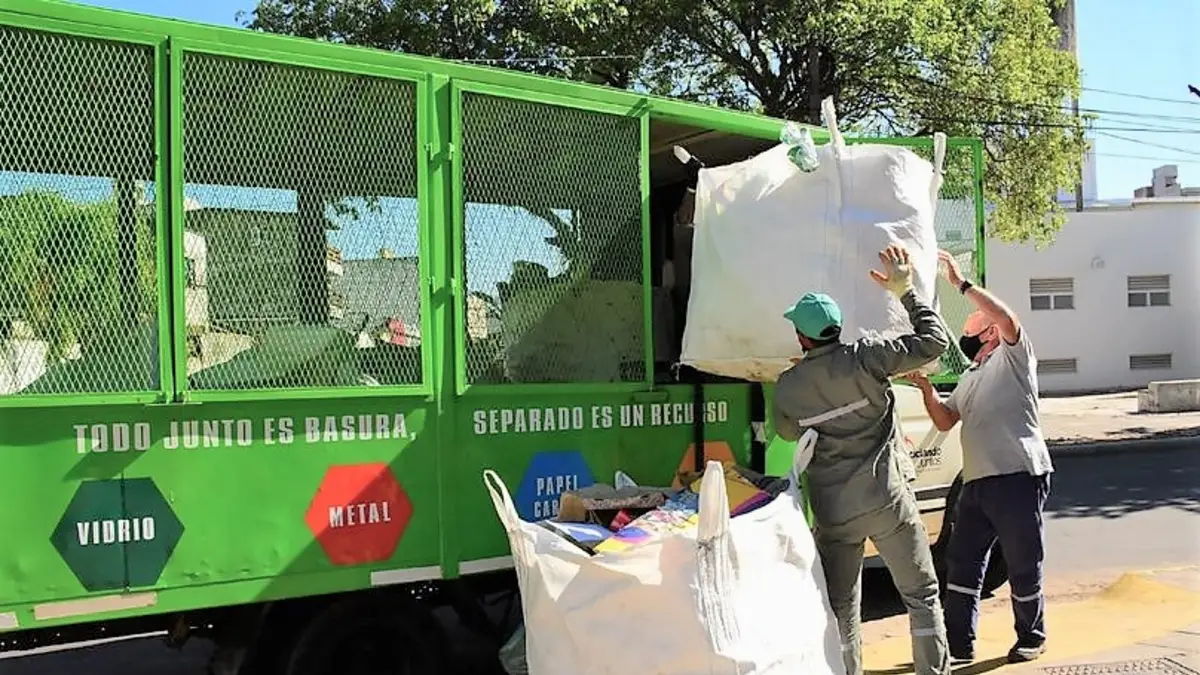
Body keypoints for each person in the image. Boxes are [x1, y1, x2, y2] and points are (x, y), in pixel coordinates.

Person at [774, 244, 951, 675]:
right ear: (838, 328)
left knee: (841, 610)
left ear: (802, 338)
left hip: (835, 514)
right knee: (922, 597)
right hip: (887, 500)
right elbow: (935, 342)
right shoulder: (867, 357)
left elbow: (788, 433)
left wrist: (806, 380)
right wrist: (905, 291)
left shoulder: (789, 386)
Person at [908, 249, 1054, 664]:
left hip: (1016, 476)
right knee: (963, 564)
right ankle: (959, 644)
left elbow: (1007, 318)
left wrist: (961, 284)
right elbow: (944, 420)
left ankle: (1031, 636)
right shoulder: (971, 375)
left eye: (973, 321)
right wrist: (926, 391)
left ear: (990, 331)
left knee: (1023, 561)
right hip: (976, 483)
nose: (966, 329)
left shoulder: (1014, 357)